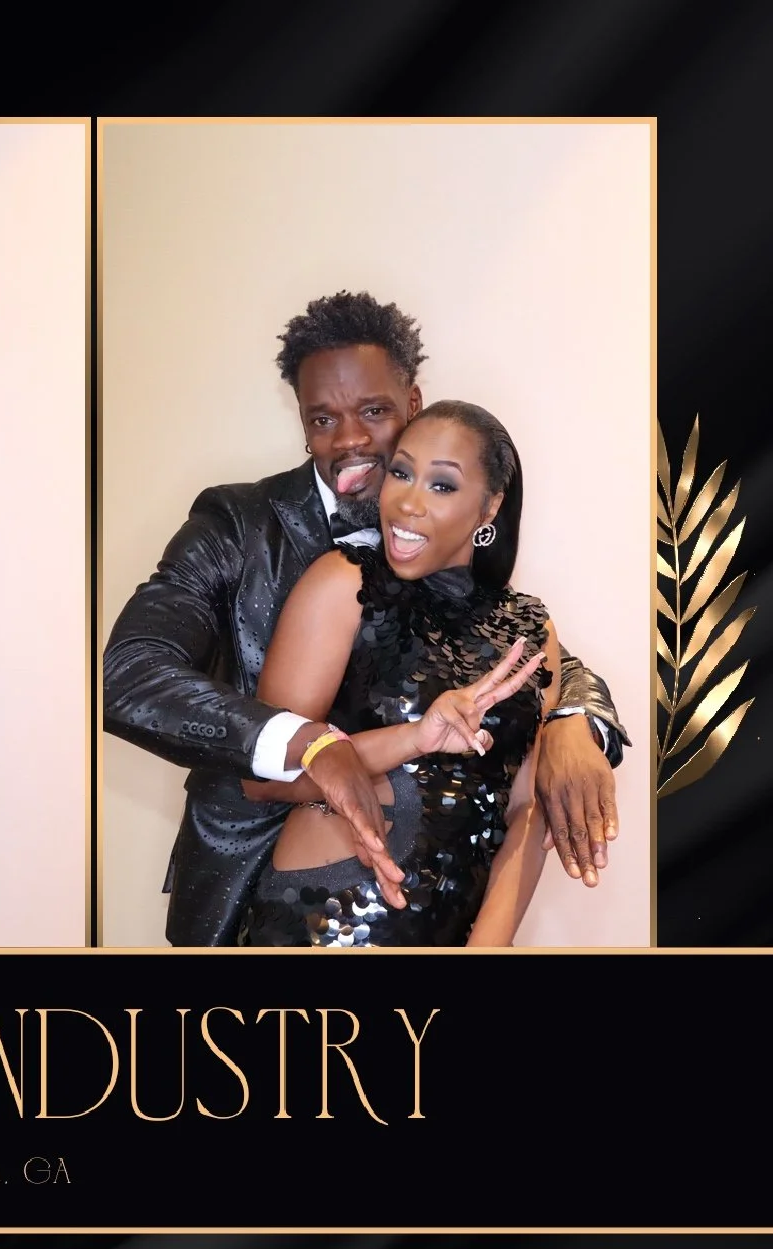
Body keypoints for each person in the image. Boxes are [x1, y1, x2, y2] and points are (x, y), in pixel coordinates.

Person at [101, 291, 627, 946]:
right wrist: (305, 744)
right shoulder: (235, 525)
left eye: (372, 412)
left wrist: (569, 721)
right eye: (322, 420)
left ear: (413, 404)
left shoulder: (449, 543)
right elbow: (132, 675)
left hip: (433, 910)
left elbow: (523, 659)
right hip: (255, 896)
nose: (348, 440)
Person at [241, 402, 556, 945]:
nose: (407, 502)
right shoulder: (343, 582)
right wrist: (415, 738)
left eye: (442, 486)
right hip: (325, 921)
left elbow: (528, 805)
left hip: (451, 933)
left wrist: (489, 947)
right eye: (402, 473)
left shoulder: (531, 630)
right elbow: (263, 780)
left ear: (490, 507)